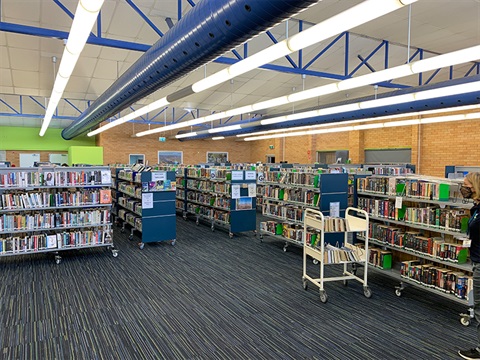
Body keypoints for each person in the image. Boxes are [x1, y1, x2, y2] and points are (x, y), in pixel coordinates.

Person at [459, 172, 480, 360]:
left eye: (465, 184)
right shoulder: (476, 207)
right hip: (476, 257)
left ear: (474, 186)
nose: (462, 188)